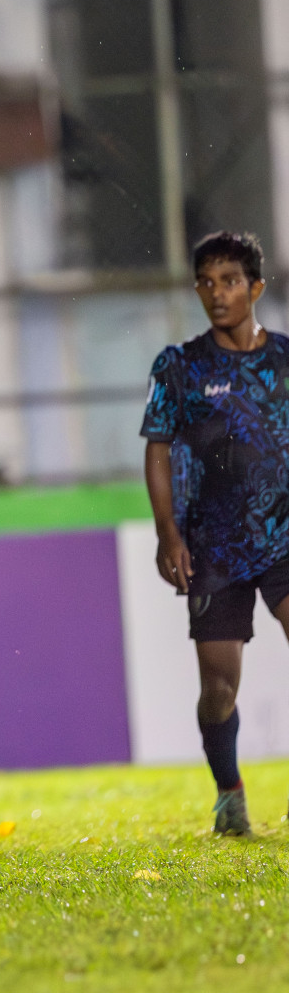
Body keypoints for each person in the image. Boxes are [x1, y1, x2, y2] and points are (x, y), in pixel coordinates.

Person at [141, 230, 289, 836]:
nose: (216, 292)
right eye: (205, 281)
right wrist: (168, 532)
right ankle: (230, 795)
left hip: (284, 535)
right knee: (220, 689)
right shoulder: (179, 367)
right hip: (214, 547)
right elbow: (157, 450)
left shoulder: (284, 359)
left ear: (255, 288)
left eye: (229, 281)